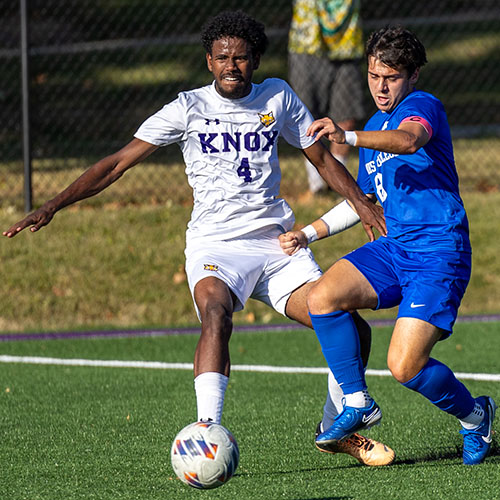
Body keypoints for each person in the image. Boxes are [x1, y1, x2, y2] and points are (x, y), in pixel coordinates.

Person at [3, 10, 392, 466]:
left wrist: (362, 203)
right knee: (215, 314)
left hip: (276, 245)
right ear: (209, 61)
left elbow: (323, 159)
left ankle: (335, 428)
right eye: (223, 57)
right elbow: (115, 164)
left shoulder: (278, 97)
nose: (232, 66)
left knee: (351, 327)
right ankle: (208, 431)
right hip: (215, 246)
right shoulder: (187, 108)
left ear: (255, 61)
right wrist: (53, 203)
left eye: (242, 58)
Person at [279, 25, 496, 465]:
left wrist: (348, 137)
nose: (380, 86)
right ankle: (357, 402)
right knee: (322, 297)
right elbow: (366, 204)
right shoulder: (376, 125)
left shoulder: (422, 106)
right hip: (394, 249)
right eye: (374, 75)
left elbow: (410, 140)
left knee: (405, 366)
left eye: (391, 76)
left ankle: (476, 416)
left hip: (439, 253)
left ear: (412, 75)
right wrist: (309, 232)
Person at [288, 0, 365, 195]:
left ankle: (338, 186)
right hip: (306, 41)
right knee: (305, 115)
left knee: (346, 114)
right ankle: (317, 186)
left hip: (347, 42)